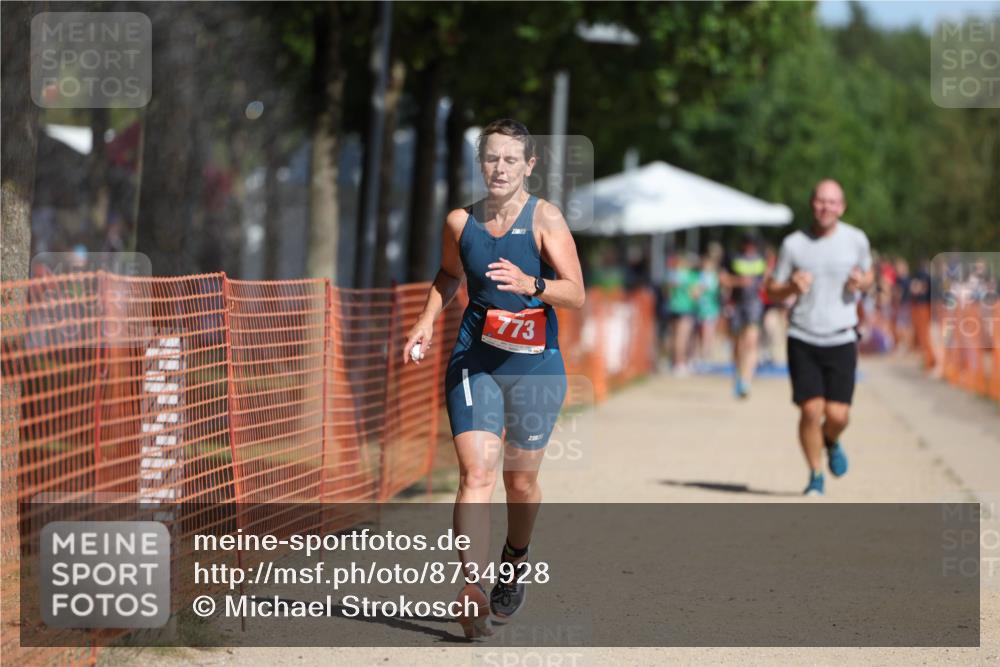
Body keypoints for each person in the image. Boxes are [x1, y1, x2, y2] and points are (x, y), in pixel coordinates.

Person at [403, 119, 585, 638]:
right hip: (475, 362)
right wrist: (423, 322)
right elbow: (448, 274)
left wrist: (534, 283)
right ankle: (471, 586)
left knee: (520, 481)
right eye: (491, 158)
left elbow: (576, 293)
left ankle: (515, 555)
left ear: (529, 166)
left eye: (510, 159)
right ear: (480, 164)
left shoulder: (545, 218)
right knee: (475, 474)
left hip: (534, 367)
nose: (499, 168)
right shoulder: (461, 222)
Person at [766, 179, 873, 496]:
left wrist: (860, 282)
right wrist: (790, 287)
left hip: (841, 336)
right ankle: (815, 475)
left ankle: (832, 439)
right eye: (820, 201)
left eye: (832, 202)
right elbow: (772, 288)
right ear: (812, 203)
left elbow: (870, 275)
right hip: (803, 334)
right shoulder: (793, 244)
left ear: (842, 207)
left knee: (838, 415)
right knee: (811, 410)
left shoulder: (856, 239)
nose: (826, 207)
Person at [721, 234, 768, 398]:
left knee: (751, 342)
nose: (750, 247)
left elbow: (767, 280)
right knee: (738, 345)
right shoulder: (732, 258)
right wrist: (738, 281)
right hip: (736, 305)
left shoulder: (762, 259)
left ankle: (746, 381)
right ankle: (738, 376)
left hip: (754, 305)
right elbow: (723, 279)